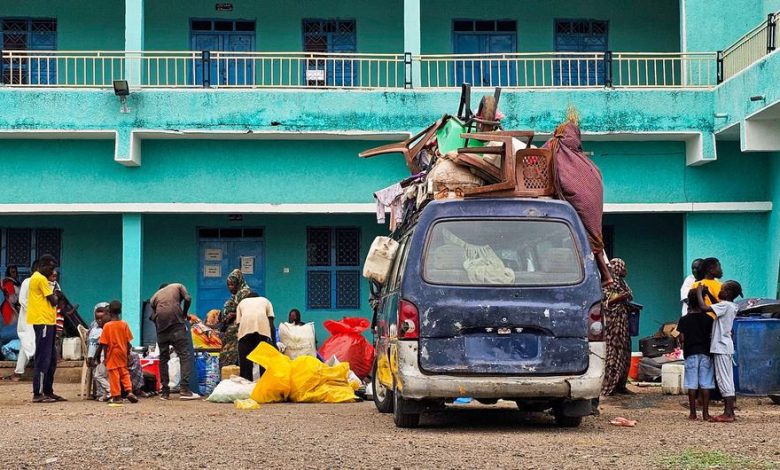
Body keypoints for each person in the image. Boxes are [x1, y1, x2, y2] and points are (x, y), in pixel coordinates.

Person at [695, 281, 743, 423]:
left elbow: (704, 307)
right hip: (726, 346)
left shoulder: (725, 306)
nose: (719, 291)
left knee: (723, 379)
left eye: (722, 289)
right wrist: (708, 293)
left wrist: (699, 292)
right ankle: (730, 411)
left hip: (721, 347)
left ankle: (728, 413)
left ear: (727, 293)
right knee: (727, 378)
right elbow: (717, 304)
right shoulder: (731, 306)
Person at [149, 282, 199, 400]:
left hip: (162, 329)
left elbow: (152, 317)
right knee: (184, 355)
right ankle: (185, 390)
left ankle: (165, 392)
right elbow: (188, 298)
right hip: (176, 325)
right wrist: (184, 314)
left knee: (163, 358)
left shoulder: (154, 297)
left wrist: (160, 329)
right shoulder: (178, 286)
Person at [27, 254, 64, 403]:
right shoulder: (40, 279)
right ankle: (38, 393)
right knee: (43, 358)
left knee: (52, 359)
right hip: (42, 322)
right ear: (42, 265)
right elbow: (54, 301)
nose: (52, 271)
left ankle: (48, 391)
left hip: (49, 322)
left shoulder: (42, 279)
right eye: (50, 267)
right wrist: (57, 295)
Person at [677, 289, 715, 421]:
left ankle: (692, 413)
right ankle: (705, 413)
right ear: (702, 300)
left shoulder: (684, 320)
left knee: (691, 384)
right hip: (706, 353)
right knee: (706, 384)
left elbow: (682, 339)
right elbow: (711, 336)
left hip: (690, 353)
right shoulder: (709, 319)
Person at [94, 301, 137, 404]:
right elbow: (127, 342)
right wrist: (127, 354)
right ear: (120, 311)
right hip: (122, 352)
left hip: (112, 353)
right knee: (124, 373)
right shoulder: (124, 324)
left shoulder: (107, 326)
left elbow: (104, 343)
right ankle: (129, 391)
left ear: (108, 311)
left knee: (114, 375)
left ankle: (117, 396)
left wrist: (105, 357)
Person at [601, 258, 633, 396]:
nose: (625, 270)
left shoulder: (622, 282)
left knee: (624, 353)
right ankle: (609, 386)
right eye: (623, 267)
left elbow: (629, 296)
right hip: (613, 325)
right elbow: (605, 303)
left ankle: (621, 385)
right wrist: (620, 298)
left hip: (622, 323)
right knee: (613, 353)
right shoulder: (608, 283)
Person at [236, 291, 276, 381]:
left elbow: (239, 324)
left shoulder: (242, 303)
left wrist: (241, 342)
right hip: (262, 331)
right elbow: (271, 324)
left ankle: (246, 383)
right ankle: (264, 383)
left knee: (246, 360)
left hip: (245, 332)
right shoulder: (266, 301)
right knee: (263, 360)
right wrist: (274, 342)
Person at [9, 261, 38, 381]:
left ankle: (19, 372)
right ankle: (18, 372)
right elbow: (22, 300)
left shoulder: (46, 282)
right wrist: (36, 311)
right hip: (29, 318)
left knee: (32, 343)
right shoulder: (27, 282)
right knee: (27, 342)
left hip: (41, 318)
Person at [219, 269, 251, 369]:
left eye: (232, 284)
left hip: (241, 328)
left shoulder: (244, 293)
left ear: (238, 283)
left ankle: (232, 370)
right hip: (232, 326)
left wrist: (233, 314)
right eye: (228, 285)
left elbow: (246, 310)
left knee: (233, 353)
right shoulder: (236, 294)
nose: (230, 287)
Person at [87, 303, 110, 401]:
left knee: (102, 375)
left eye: (102, 318)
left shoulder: (108, 329)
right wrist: (92, 357)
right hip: (104, 358)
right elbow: (97, 346)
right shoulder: (95, 330)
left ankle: (108, 392)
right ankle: (108, 391)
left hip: (107, 358)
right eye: (97, 319)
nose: (100, 321)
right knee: (99, 374)